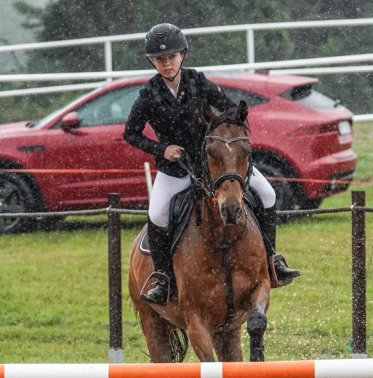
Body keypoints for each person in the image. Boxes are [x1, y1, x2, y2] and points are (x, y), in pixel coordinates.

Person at [124, 23, 300, 305]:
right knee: (157, 214)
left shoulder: (197, 81)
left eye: (171, 57)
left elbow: (230, 108)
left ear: (182, 55)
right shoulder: (149, 94)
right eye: (159, 59)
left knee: (268, 194)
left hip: (219, 162)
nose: (166, 63)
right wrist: (161, 148)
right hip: (177, 168)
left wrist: (222, 134)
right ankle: (164, 278)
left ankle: (272, 260)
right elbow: (129, 133)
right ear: (152, 61)